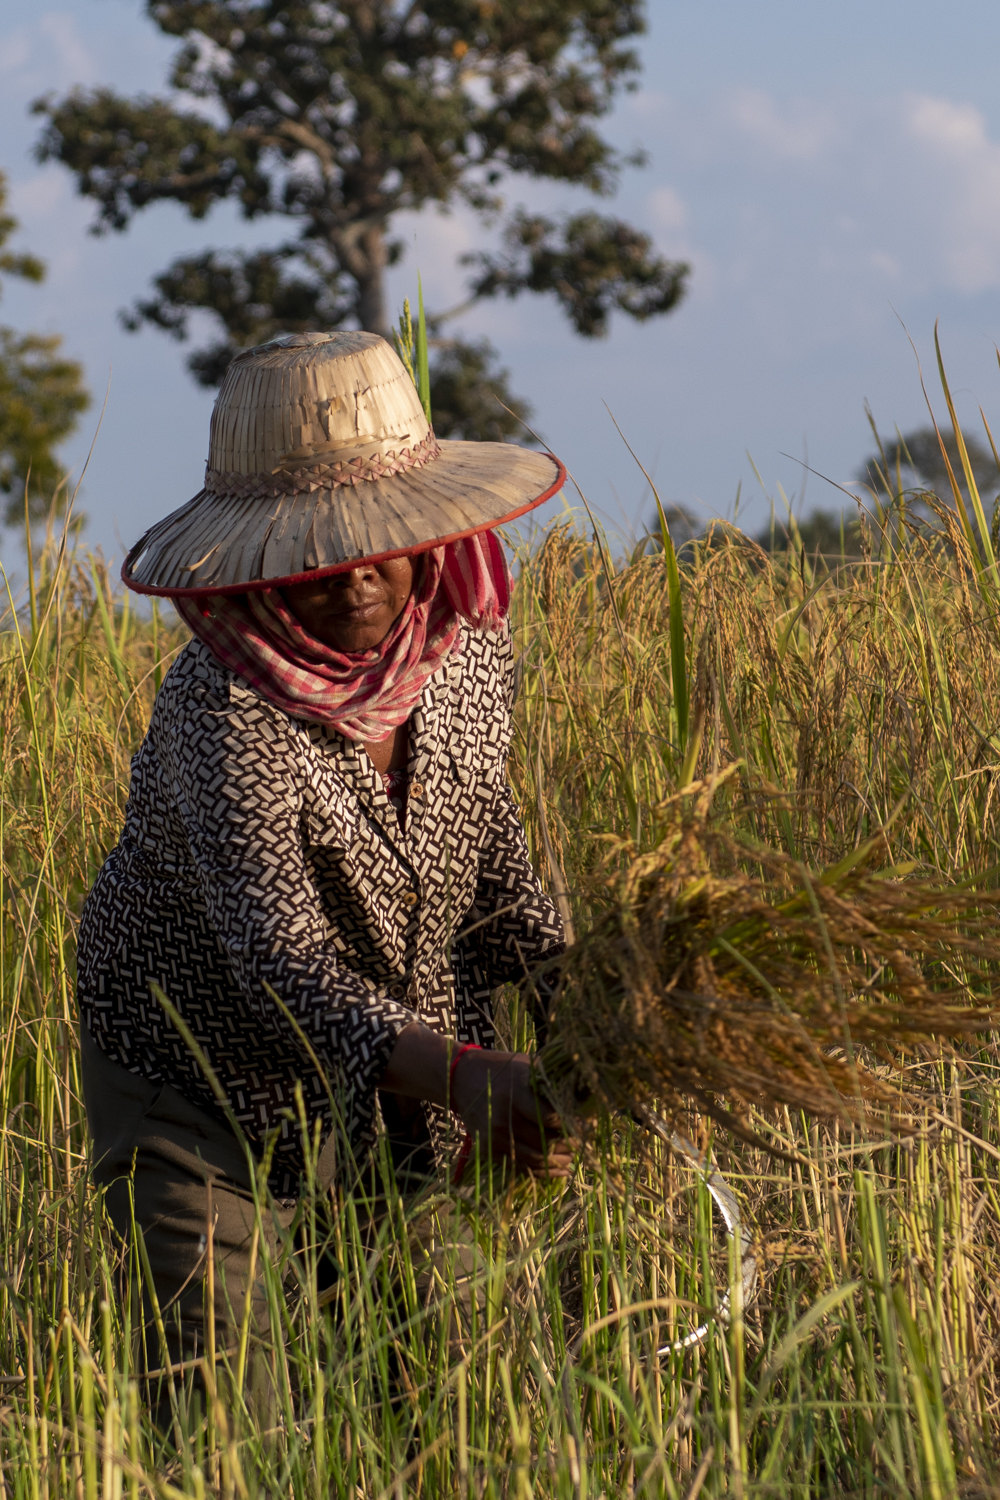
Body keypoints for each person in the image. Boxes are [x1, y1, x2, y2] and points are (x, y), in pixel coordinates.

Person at [77, 330, 570, 1366]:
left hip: (404, 1076)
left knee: (435, 1376)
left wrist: (600, 1010)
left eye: (374, 542)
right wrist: (467, 1075)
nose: (353, 581)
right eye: (313, 555)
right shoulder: (224, 708)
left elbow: (491, 865)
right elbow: (278, 959)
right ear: (258, 564)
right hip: (203, 1075)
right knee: (227, 1395)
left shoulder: (469, 649)